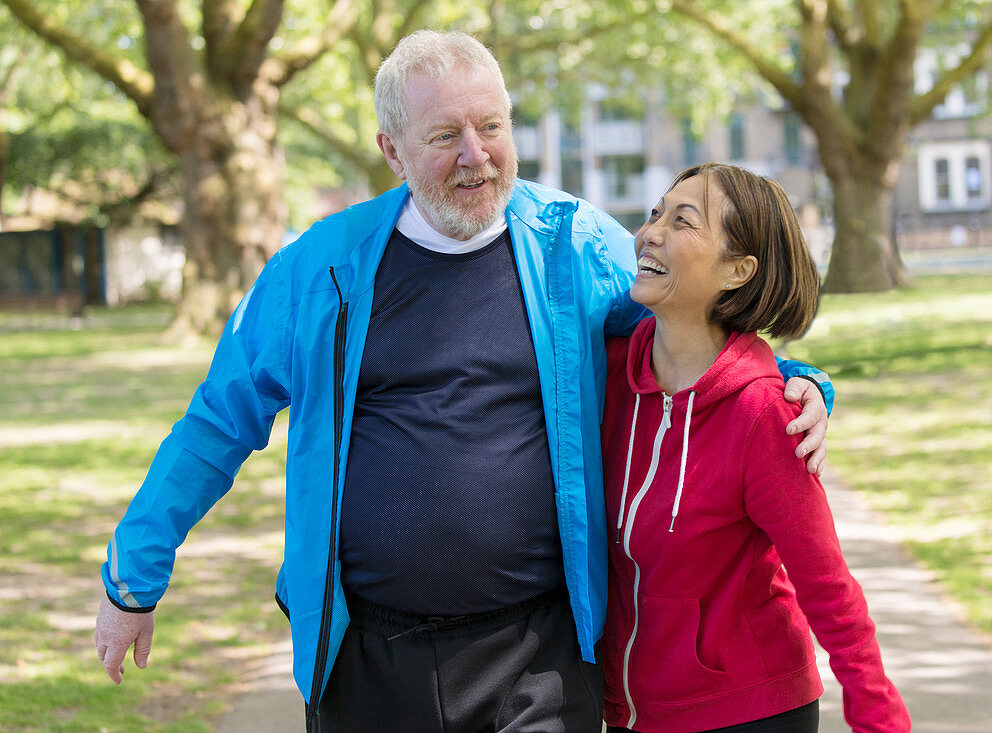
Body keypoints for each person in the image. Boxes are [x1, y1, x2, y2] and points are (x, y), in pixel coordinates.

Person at [93, 32, 833, 732]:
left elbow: (694, 330)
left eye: (492, 126)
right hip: (365, 654)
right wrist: (134, 581)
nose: (477, 156)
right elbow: (218, 423)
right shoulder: (320, 270)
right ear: (392, 150)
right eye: (445, 136)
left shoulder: (575, 246)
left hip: (539, 652)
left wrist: (796, 383)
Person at [600, 163, 908, 733]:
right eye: (655, 213)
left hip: (751, 708)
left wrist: (879, 718)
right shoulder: (611, 378)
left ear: (738, 270)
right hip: (635, 713)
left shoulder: (763, 416)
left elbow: (829, 591)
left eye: (683, 220)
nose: (650, 232)